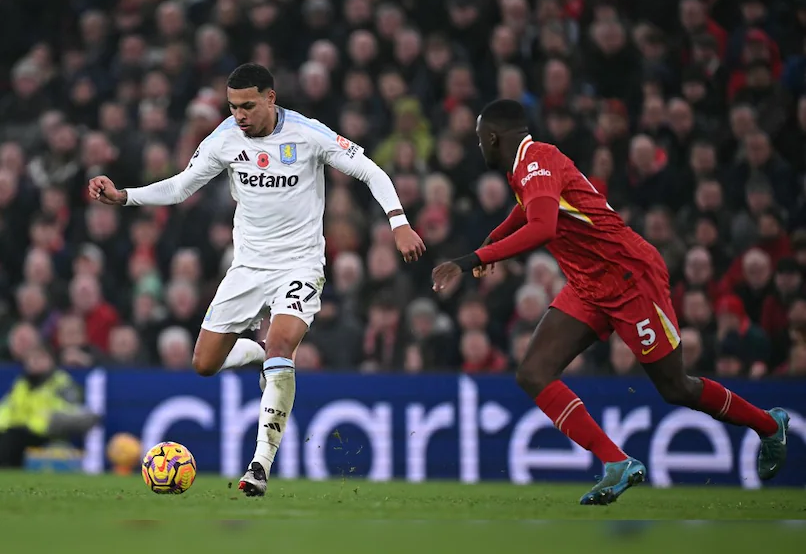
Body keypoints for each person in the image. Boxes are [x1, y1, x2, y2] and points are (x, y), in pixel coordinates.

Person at [88, 63, 425, 496]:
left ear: (271, 97)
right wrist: (124, 196)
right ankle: (256, 351)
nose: (239, 115)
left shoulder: (307, 134)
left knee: (284, 346)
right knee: (204, 364)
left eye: (248, 105)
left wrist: (398, 222)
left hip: (300, 265)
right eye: (232, 107)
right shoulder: (225, 138)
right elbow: (181, 187)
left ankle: (260, 464)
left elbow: (372, 171)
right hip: (246, 269)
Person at [431, 99, 789, 505]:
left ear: (493, 137)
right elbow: (527, 210)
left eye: (480, 140)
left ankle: (768, 425)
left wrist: (472, 259)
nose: (479, 148)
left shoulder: (538, 160)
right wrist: (493, 239)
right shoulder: (528, 167)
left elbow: (542, 227)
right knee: (533, 373)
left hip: (630, 278)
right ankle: (616, 462)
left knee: (676, 388)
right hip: (588, 284)